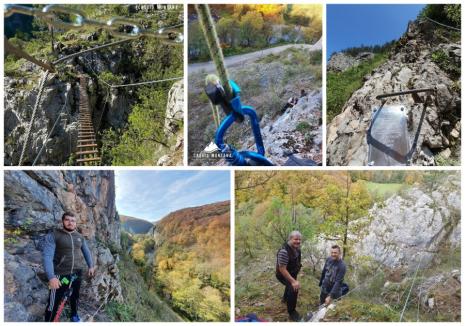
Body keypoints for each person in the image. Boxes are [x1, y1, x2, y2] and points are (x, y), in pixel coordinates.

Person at [42, 212, 95, 322]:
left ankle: (74, 315)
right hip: (60, 275)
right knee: (53, 302)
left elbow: (86, 252)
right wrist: (51, 277)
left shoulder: (80, 237)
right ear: (63, 221)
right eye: (67, 220)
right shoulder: (54, 235)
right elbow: (47, 256)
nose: (70, 222)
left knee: (75, 296)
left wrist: (91, 266)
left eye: (73, 220)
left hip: (76, 274)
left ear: (76, 223)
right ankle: (50, 321)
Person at [275, 231, 302, 321]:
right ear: (290, 239)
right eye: (295, 239)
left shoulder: (297, 248)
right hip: (283, 274)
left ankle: (285, 298)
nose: (298, 241)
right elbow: (282, 269)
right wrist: (293, 281)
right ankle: (292, 312)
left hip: (292, 272)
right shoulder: (284, 251)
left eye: (299, 239)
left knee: (290, 286)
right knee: (294, 288)